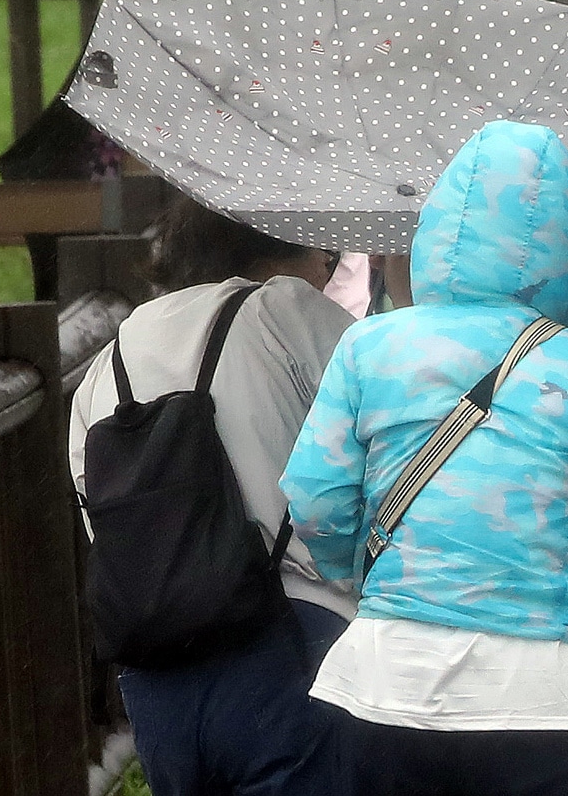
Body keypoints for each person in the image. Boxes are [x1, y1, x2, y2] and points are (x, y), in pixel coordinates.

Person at [280, 120, 568, 796]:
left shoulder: (371, 346)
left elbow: (314, 500)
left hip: (387, 681)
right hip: (539, 697)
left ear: (439, 229)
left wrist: (364, 566)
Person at [68, 198, 357, 796]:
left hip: (157, 676)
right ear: (275, 246)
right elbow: (386, 436)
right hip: (288, 643)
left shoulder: (105, 364)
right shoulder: (284, 309)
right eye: (328, 260)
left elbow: (99, 515)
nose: (330, 278)